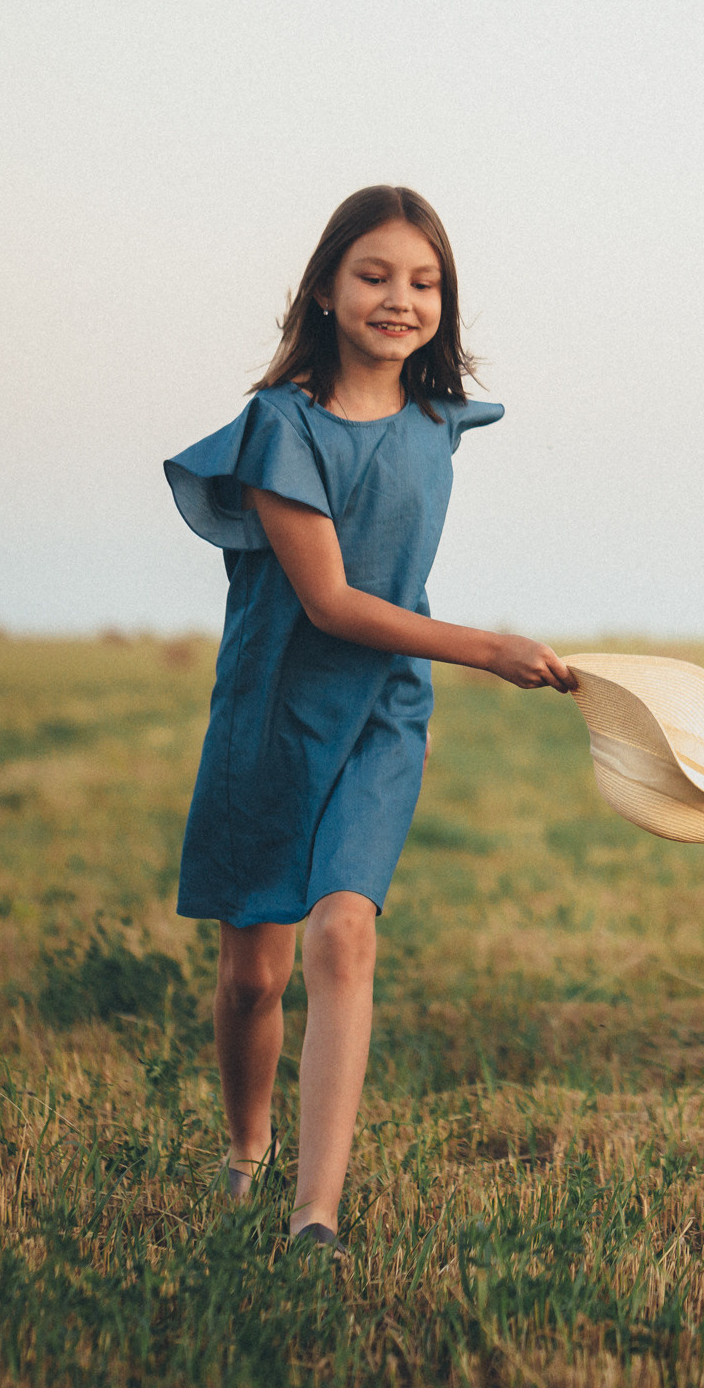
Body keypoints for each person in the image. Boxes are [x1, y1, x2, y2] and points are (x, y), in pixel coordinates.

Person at [163, 185, 575, 1255]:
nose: (402, 299)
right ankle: (246, 1147)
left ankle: (317, 1213)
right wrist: (490, 649)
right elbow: (330, 603)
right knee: (252, 979)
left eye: (425, 282)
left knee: (344, 935)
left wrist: (449, 667)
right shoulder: (279, 428)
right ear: (325, 289)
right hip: (275, 712)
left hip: (385, 712)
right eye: (376, 275)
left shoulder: (439, 424)